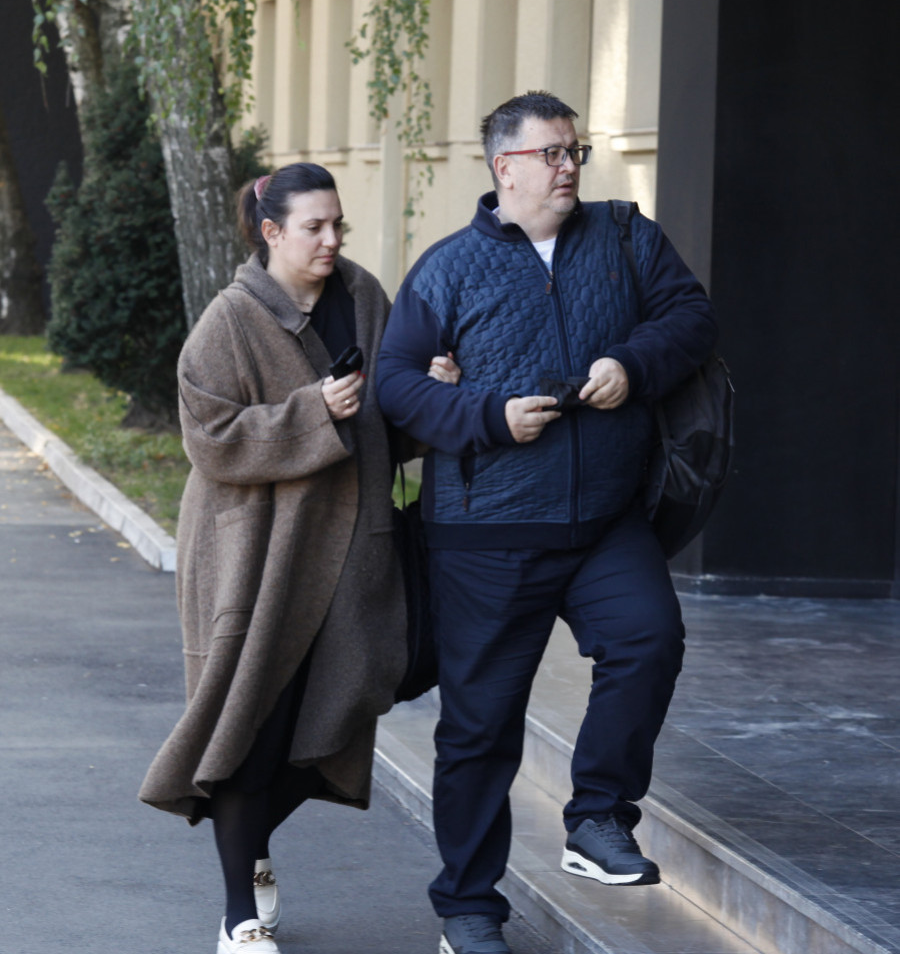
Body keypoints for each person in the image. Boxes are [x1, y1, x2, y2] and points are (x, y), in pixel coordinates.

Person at [376, 91, 718, 954]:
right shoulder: (447, 269)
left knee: (649, 638)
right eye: (553, 153)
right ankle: (468, 907)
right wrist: (488, 417)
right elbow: (397, 384)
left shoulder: (627, 238)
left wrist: (631, 364)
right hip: (485, 533)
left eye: (576, 151)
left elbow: (692, 318)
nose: (570, 166)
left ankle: (598, 815)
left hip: (604, 521)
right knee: (479, 729)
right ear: (506, 167)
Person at [139, 163, 458, 954]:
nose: (331, 239)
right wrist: (312, 411)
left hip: (354, 549)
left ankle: (248, 845)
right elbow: (210, 437)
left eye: (337, 223)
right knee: (254, 719)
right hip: (257, 554)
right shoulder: (230, 319)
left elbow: (391, 422)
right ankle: (237, 914)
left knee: (351, 697)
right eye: (314, 226)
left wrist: (433, 392)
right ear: (271, 231)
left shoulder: (364, 295)